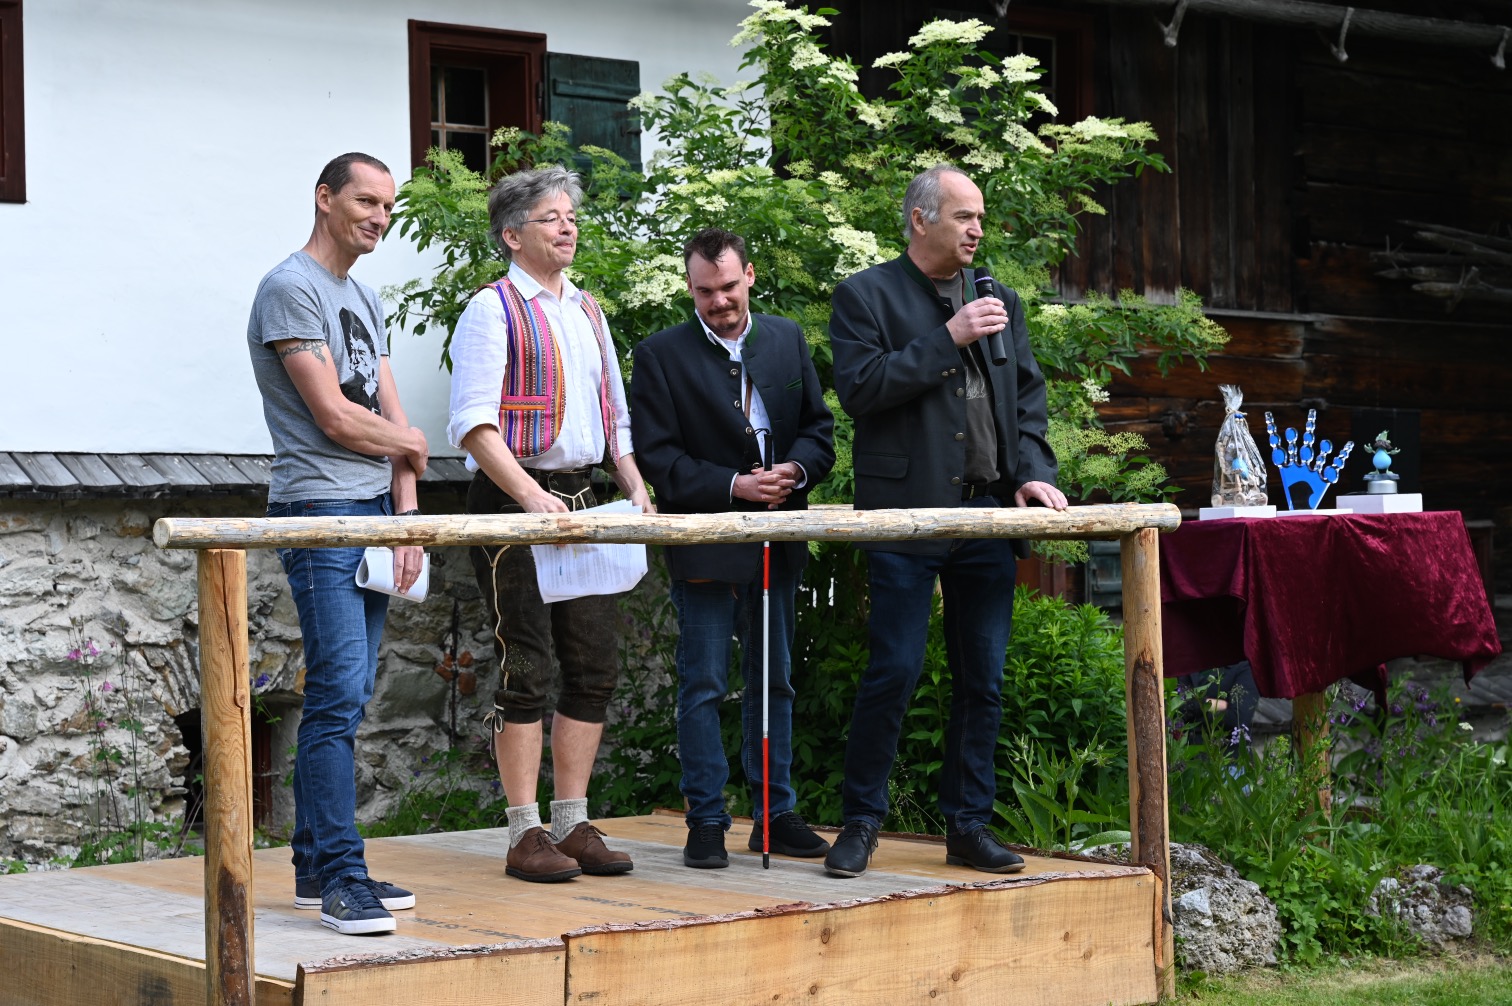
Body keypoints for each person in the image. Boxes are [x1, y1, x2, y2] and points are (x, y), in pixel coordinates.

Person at [823, 163, 1067, 878]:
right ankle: (862, 822)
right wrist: (948, 337)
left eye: (980, 217)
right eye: (964, 216)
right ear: (921, 219)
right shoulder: (865, 295)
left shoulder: (1000, 299)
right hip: (904, 516)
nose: (977, 229)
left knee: (982, 678)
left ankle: (968, 825)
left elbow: (1026, 399)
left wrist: (1032, 475)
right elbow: (861, 391)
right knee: (894, 669)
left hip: (985, 514)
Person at [447, 165, 653, 883]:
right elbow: (472, 424)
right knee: (526, 662)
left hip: (586, 501)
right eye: (551, 217)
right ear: (512, 233)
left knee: (594, 661)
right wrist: (530, 494)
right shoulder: (492, 309)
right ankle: (523, 830)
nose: (567, 226)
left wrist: (631, 483)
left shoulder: (587, 310)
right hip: (513, 503)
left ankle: (571, 822)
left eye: (570, 215)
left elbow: (615, 416)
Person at [248, 152, 428, 934]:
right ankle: (343, 879)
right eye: (364, 201)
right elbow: (337, 417)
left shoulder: (363, 295)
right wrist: (407, 444)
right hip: (319, 508)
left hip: (374, 510)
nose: (378, 217)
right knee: (334, 695)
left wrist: (408, 510)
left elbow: (391, 414)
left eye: (387, 206)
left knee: (350, 696)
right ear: (324, 200)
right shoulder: (289, 288)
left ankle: (316, 865)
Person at [631, 228, 836, 869]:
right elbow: (659, 458)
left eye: (727, 287)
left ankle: (774, 815)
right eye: (704, 291)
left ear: (749, 274)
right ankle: (707, 822)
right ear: (689, 287)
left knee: (774, 679)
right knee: (703, 683)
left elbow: (819, 432)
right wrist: (733, 485)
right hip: (707, 539)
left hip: (780, 533)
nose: (718, 301)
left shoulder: (786, 338)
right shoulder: (660, 353)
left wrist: (795, 472)